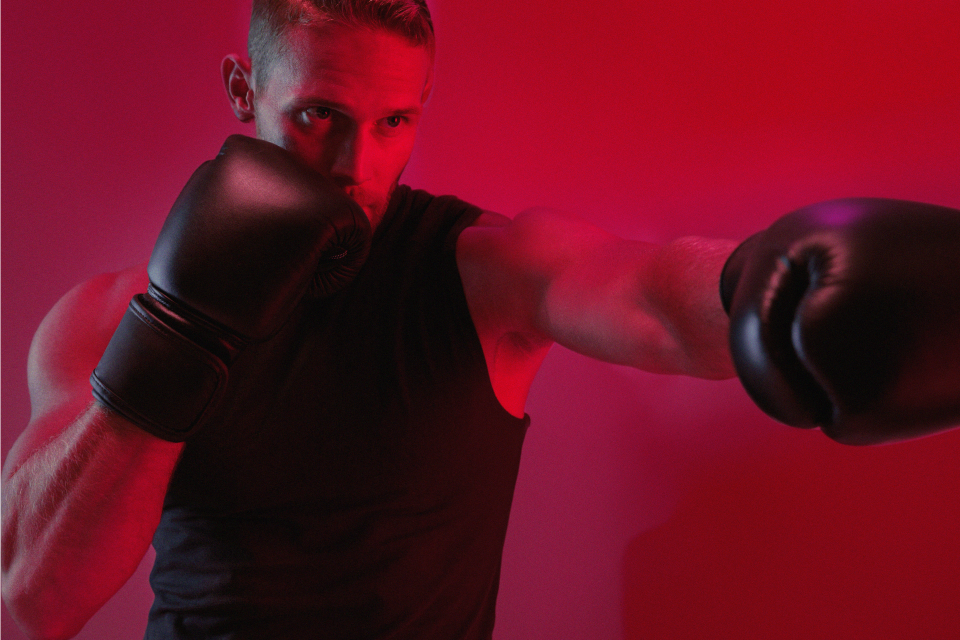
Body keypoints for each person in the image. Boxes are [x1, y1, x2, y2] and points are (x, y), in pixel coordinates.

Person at [4, 1, 960, 639]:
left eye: (394, 123)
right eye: (319, 116)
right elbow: (39, 599)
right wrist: (177, 331)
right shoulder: (109, 315)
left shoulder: (475, 271)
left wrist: (761, 289)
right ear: (244, 90)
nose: (356, 168)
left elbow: (650, 295)